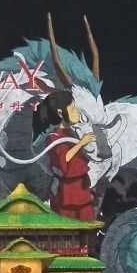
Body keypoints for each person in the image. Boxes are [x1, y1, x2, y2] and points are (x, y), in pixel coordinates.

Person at [37, 90, 97, 221]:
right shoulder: (54, 137)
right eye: (73, 108)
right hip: (66, 191)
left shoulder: (73, 133)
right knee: (67, 225)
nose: (77, 112)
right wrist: (81, 143)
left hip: (81, 188)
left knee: (86, 224)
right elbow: (64, 159)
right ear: (60, 113)